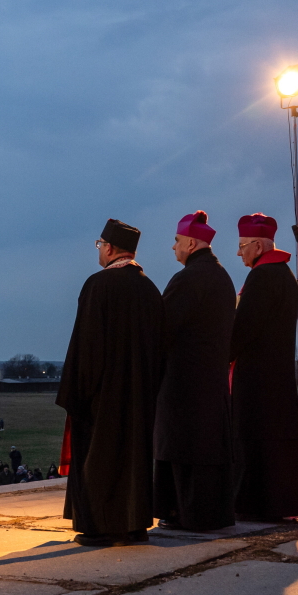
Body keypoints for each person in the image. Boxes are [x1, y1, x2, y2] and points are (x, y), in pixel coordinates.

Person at [57, 219, 165, 546]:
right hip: (141, 397)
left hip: (102, 400)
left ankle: (100, 528)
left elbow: (85, 347)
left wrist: (76, 394)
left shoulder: (98, 285)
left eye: (99, 245)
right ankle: (134, 525)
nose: (99, 251)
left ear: (110, 248)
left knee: (100, 462)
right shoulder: (149, 289)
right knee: (135, 462)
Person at [154, 211, 237, 531]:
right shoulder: (222, 276)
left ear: (190, 242)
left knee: (182, 449)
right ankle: (212, 513)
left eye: (176, 241)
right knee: (208, 449)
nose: (173, 247)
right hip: (212, 379)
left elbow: (162, 327)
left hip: (183, 383)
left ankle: (180, 512)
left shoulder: (187, 278)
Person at [231, 213, 298, 521]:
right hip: (277, 373)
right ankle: (280, 502)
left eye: (242, 246)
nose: (239, 253)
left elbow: (243, 327)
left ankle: (254, 504)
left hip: (256, 377)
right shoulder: (284, 275)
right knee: (277, 440)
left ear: (260, 246)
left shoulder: (261, 278)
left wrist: (222, 353)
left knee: (254, 440)